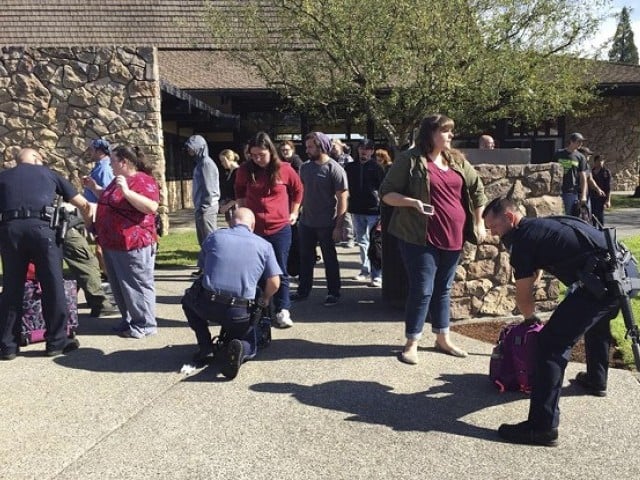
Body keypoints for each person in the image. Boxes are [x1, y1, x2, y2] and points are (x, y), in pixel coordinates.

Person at [482, 197, 621, 447]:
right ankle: (596, 379)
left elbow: (523, 294)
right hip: (620, 274)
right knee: (596, 323)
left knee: (549, 345)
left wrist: (530, 319)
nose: (493, 234)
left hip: (601, 283)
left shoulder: (522, 241)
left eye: (495, 227)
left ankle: (541, 428)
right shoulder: (541, 227)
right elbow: (537, 269)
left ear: (510, 218)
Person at [380, 114, 486, 364]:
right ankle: (411, 342)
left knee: (443, 289)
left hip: (454, 235)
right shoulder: (410, 160)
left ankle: (442, 338)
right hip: (419, 236)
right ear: (430, 134)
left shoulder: (457, 161)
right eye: (446, 131)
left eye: (451, 131)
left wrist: (479, 222)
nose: (451, 136)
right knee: (422, 289)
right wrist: (412, 202)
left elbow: (477, 188)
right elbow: (386, 193)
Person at [0, 148, 92, 360]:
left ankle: (7, 345)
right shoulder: (49, 174)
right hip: (43, 230)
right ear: (35, 159)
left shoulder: (3, 177)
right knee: (52, 284)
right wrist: (89, 223)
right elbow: (81, 203)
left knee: (12, 287)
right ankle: (56, 342)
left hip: (11, 230)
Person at [181, 207, 282, 379]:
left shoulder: (214, 237)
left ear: (230, 222)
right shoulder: (264, 246)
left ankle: (205, 347)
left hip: (207, 304)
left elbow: (204, 268)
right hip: (239, 312)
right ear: (253, 225)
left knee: (187, 302)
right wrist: (264, 299)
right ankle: (242, 347)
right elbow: (274, 282)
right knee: (249, 337)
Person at [235, 132, 303, 328]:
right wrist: (242, 212)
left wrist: (294, 212)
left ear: (270, 152)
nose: (257, 159)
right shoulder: (244, 170)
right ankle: (257, 308)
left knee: (280, 268)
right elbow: (239, 190)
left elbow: (298, 189)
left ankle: (283, 309)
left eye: (261, 155)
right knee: (255, 269)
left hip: (280, 226)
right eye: (253, 155)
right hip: (254, 229)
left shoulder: (285, 169)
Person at [91, 145, 159, 339]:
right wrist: (95, 189)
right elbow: (112, 201)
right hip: (112, 242)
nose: (110, 164)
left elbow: (151, 206)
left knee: (136, 283)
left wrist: (127, 191)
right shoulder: (117, 181)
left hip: (133, 242)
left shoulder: (142, 180)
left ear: (124, 162)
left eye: (112, 160)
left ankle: (145, 324)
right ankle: (129, 319)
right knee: (120, 285)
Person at [294, 132, 349, 306]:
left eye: (310, 146)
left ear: (321, 147)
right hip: (306, 222)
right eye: (307, 146)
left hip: (327, 223)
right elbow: (300, 193)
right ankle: (303, 290)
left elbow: (343, 198)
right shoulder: (305, 167)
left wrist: (339, 226)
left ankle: (334, 292)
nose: (307, 150)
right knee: (305, 257)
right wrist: (296, 212)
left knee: (329, 258)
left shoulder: (335, 169)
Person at [345, 138, 385, 286]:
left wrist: (381, 205)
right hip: (356, 208)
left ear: (372, 151)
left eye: (367, 148)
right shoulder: (350, 167)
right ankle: (364, 270)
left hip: (373, 209)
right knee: (362, 242)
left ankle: (377, 274)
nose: (364, 151)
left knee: (375, 242)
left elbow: (383, 188)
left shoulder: (377, 167)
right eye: (362, 147)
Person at [185, 135, 220, 275]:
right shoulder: (200, 163)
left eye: (191, 148)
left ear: (199, 148)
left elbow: (209, 187)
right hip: (202, 207)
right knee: (203, 239)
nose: (189, 151)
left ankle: (213, 268)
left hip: (207, 208)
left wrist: (205, 206)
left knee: (209, 239)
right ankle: (204, 267)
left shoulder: (206, 164)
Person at [81, 138, 114, 277]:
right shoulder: (99, 167)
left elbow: (107, 193)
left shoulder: (104, 168)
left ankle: (109, 273)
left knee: (101, 248)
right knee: (100, 247)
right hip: (96, 210)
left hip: (101, 211)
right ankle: (108, 273)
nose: (89, 152)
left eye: (92, 149)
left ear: (99, 151)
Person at [553, 132, 589, 215]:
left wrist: (583, 195)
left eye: (582, 141)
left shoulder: (580, 157)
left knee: (568, 216)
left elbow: (583, 177)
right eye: (578, 141)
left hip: (571, 192)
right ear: (571, 141)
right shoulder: (558, 154)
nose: (581, 143)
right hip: (557, 190)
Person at [218, 149, 241, 219]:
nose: (222, 163)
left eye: (223, 161)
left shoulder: (239, 172)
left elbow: (240, 194)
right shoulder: (229, 173)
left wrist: (227, 206)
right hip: (229, 206)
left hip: (236, 206)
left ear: (229, 159)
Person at [589, 155, 611, 226]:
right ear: (595, 162)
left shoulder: (606, 172)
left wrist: (608, 200)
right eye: (599, 160)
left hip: (601, 197)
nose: (600, 162)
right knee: (592, 215)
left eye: (602, 161)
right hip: (591, 196)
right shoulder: (590, 172)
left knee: (600, 215)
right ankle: (593, 229)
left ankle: (601, 231)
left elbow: (608, 187)